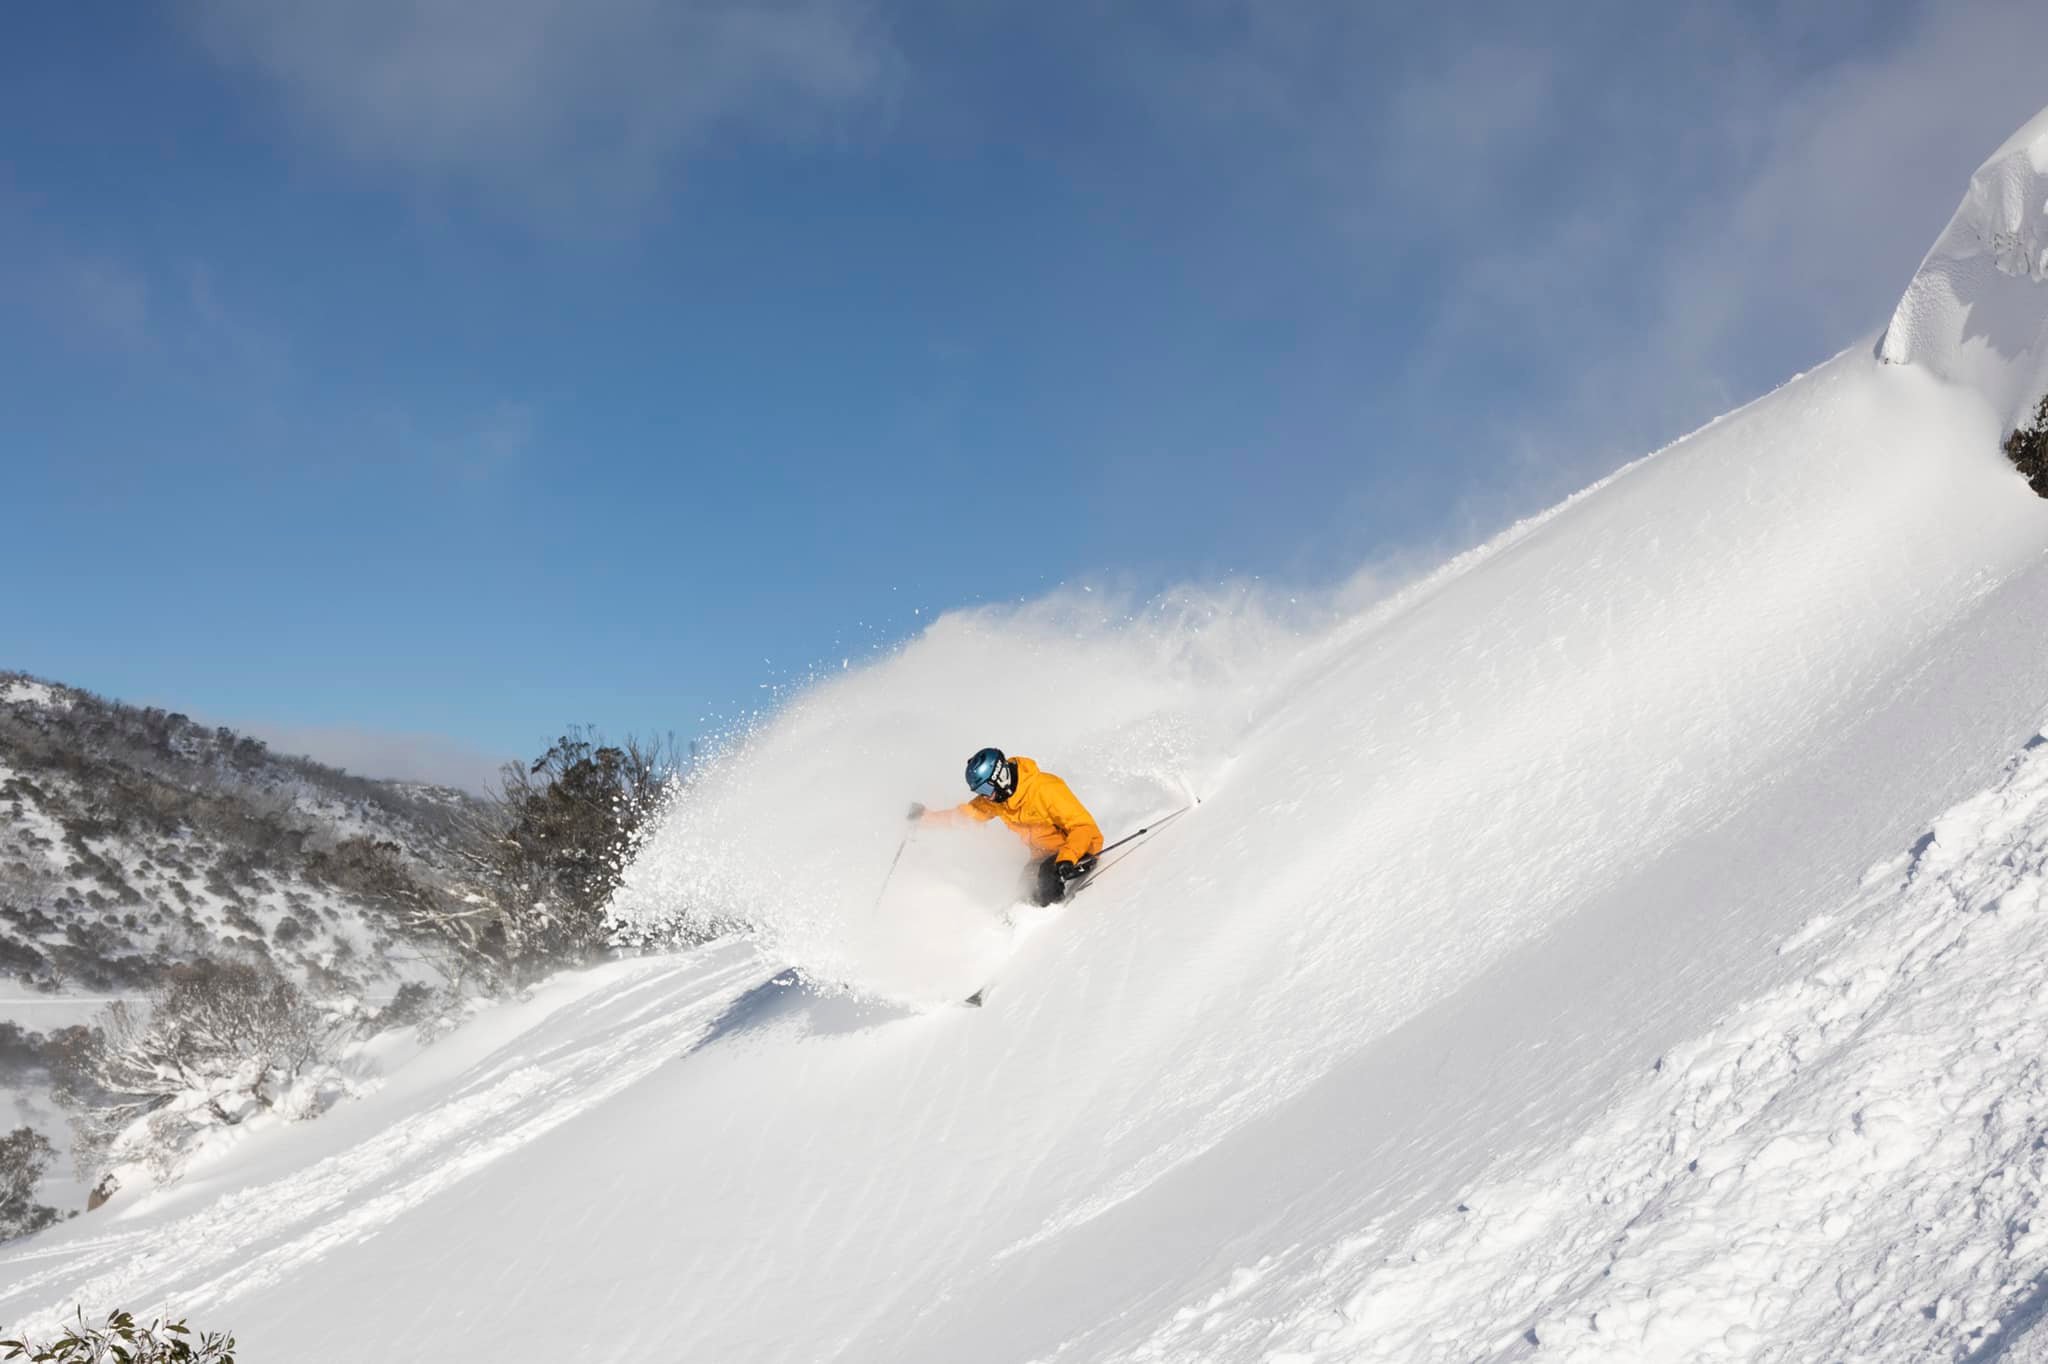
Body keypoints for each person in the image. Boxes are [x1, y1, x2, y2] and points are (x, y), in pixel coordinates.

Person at [910, 747, 1104, 906]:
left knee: (1046, 878)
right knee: (1024, 888)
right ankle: (1023, 919)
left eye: (985, 789)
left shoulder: (1045, 789)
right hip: (1045, 856)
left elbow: (1083, 827)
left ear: (1000, 777)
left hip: (1079, 850)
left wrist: (1067, 858)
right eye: (979, 791)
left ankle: (1057, 917)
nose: (985, 796)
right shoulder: (999, 800)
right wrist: (926, 817)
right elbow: (965, 816)